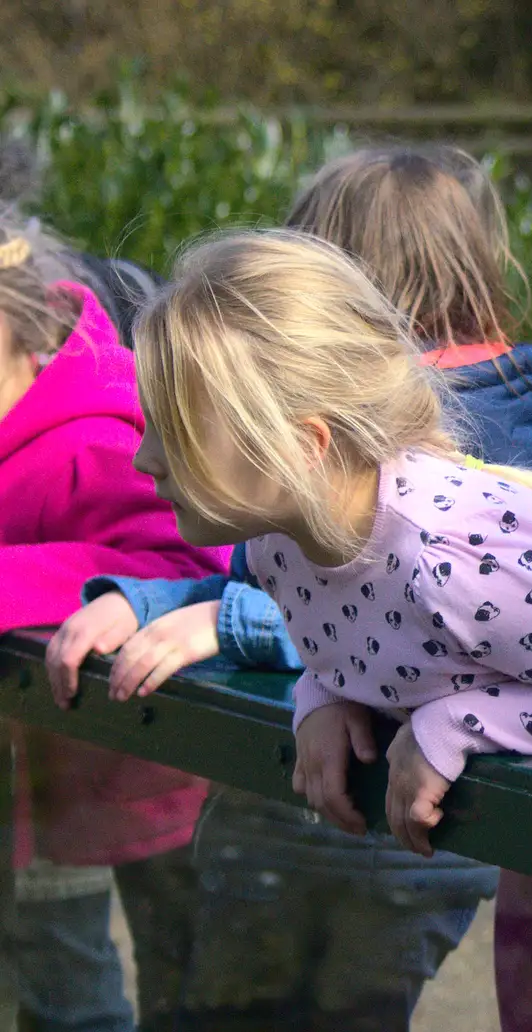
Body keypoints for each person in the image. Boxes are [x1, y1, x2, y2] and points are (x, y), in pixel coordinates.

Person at [44, 148, 532, 1031]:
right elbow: (287, 579)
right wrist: (152, 603)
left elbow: (427, 622)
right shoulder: (317, 473)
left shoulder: (460, 481)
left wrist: (242, 624)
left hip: (406, 824)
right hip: (300, 805)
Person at [0, 212, 227, 1032]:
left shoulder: (95, 439)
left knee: (94, 981)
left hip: (121, 759)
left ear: (22, 333)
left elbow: (188, 568)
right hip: (36, 777)